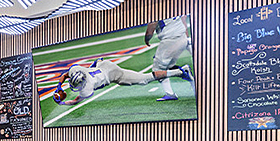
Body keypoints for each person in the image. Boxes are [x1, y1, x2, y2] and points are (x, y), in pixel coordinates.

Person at [51, 58, 191, 105]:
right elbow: (65, 75)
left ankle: (180, 72)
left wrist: (62, 102)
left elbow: (75, 101)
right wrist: (58, 87)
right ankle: (179, 72)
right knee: (142, 77)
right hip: (103, 65)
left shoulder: (88, 87)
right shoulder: (77, 70)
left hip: (113, 74)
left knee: (143, 79)